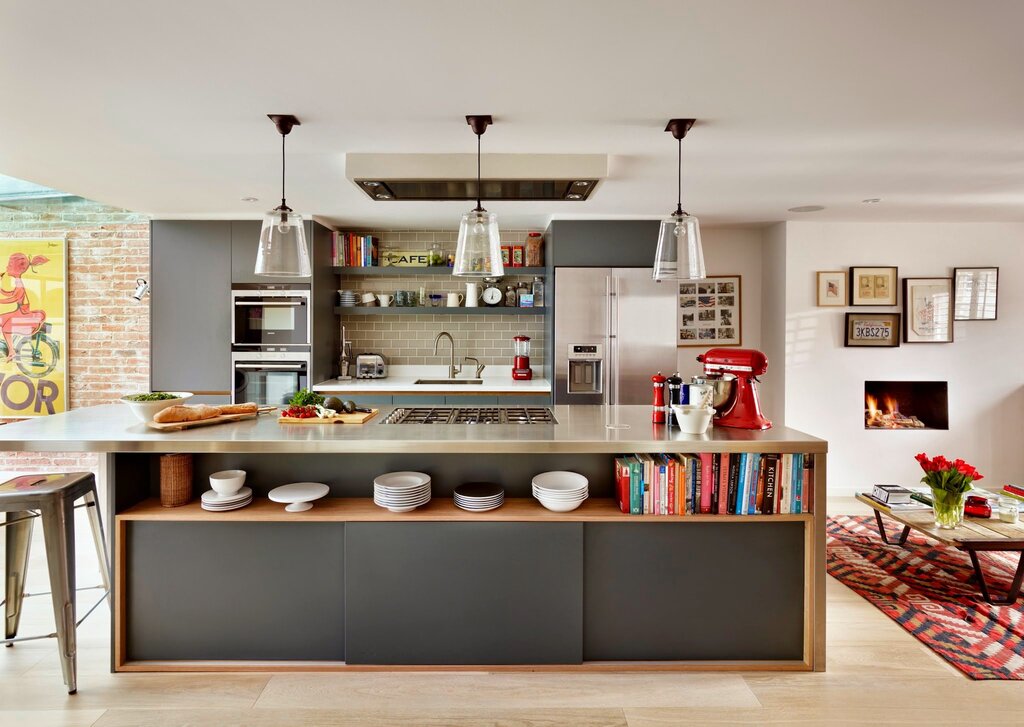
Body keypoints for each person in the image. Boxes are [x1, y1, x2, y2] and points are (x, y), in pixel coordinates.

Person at [0, 252, 48, 362]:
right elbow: (11, 294)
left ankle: (12, 351)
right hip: (19, 311)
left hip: (22, 313)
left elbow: (14, 298)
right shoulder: (17, 282)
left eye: (10, 265)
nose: (7, 267)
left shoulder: (19, 283)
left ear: (16, 269)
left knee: (5, 328)